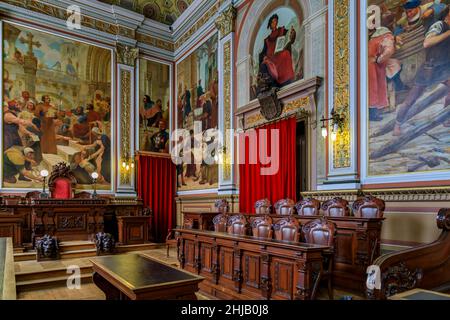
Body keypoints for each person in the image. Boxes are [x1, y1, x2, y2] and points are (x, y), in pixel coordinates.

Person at [394, 5, 450, 135]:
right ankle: (397, 124)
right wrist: (448, 33)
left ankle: (446, 118)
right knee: (411, 99)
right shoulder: (439, 25)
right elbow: (427, 43)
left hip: (446, 67)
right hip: (430, 68)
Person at [258, 14, 297, 87]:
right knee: (266, 62)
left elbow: (289, 36)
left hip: (279, 52)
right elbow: (263, 52)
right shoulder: (266, 39)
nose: (274, 23)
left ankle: (286, 79)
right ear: (270, 24)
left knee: (286, 53)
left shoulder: (282, 30)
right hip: (271, 57)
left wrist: (292, 33)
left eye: (275, 21)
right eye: (272, 22)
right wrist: (264, 57)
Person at [368, 27, 397, 121]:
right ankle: (373, 115)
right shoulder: (387, 37)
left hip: (367, 65)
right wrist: (379, 60)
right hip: (374, 66)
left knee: (370, 89)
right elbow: (388, 51)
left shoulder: (372, 39)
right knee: (374, 89)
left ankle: (370, 113)